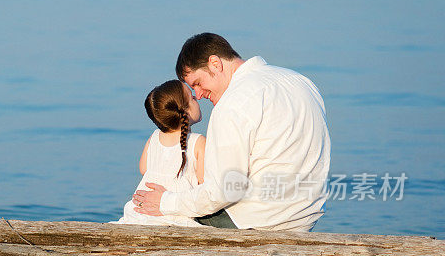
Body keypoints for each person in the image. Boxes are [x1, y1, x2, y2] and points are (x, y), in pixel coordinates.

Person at [132, 33, 330, 231]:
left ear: (215, 64)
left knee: (157, 218)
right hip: (304, 218)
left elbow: (223, 191)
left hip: (256, 221)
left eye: (197, 83)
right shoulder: (300, 81)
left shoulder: (233, 103)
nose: (198, 95)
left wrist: (167, 202)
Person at [113, 80, 205, 227]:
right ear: (185, 111)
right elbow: (204, 184)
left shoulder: (154, 137)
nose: (196, 98)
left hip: (143, 210)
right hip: (175, 214)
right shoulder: (198, 142)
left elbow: (144, 169)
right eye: (192, 97)